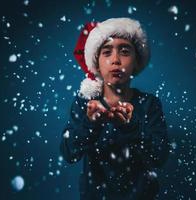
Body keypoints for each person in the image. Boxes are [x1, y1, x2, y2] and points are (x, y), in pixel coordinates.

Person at [60, 17, 170, 200]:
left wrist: (130, 127)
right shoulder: (85, 103)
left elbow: (159, 157)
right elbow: (69, 153)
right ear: (96, 62)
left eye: (125, 51)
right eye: (107, 52)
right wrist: (90, 124)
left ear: (137, 60)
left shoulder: (149, 104)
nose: (116, 60)